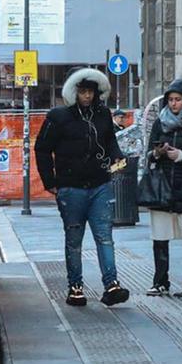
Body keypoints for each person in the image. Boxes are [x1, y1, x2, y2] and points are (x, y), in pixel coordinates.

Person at [35, 67, 131, 307]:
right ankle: (75, 286)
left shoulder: (102, 114)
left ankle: (111, 284)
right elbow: (42, 149)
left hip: (98, 184)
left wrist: (116, 158)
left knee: (104, 237)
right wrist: (51, 182)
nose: (87, 96)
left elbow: (109, 141)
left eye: (91, 92)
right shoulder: (58, 117)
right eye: (83, 92)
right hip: (72, 186)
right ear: (75, 92)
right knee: (75, 238)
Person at [145, 79, 182, 296]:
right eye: (171, 99)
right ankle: (160, 280)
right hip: (162, 186)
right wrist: (157, 153)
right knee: (160, 237)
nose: (174, 104)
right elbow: (149, 152)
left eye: (178, 100)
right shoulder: (159, 122)